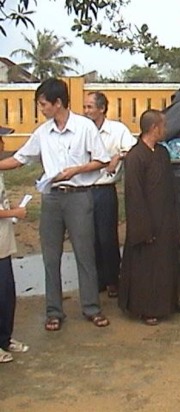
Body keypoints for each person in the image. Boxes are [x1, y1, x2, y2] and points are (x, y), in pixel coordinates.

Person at [0, 78, 111, 331]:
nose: (41, 109)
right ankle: (53, 311)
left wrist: (76, 170)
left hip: (79, 196)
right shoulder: (42, 133)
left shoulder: (84, 127)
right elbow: (20, 159)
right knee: (51, 257)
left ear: (58, 103)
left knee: (85, 254)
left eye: (43, 104)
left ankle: (91, 308)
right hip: (51, 199)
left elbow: (102, 160)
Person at [118, 109, 180, 326]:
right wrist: (143, 229)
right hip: (147, 223)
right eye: (163, 126)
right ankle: (147, 309)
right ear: (154, 128)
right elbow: (134, 195)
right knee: (147, 267)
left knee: (167, 264)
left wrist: (175, 219)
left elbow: (170, 188)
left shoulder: (162, 152)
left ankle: (170, 302)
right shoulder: (135, 157)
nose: (166, 129)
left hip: (165, 218)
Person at [83, 91, 137, 298]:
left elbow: (134, 150)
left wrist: (118, 156)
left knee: (107, 237)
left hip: (105, 190)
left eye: (90, 107)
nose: (86, 111)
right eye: (85, 107)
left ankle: (113, 279)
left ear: (102, 109)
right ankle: (97, 280)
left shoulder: (117, 129)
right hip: (83, 190)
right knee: (89, 237)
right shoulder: (81, 130)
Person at [0, 125, 30, 363]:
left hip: (4, 242)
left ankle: (5, 338)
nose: (3, 144)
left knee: (7, 294)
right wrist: (14, 213)